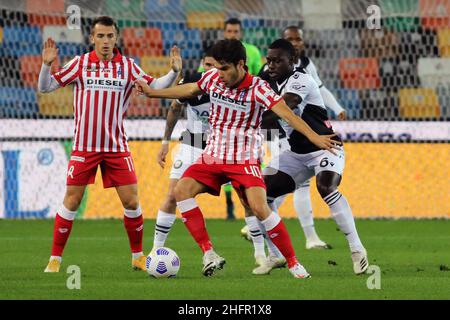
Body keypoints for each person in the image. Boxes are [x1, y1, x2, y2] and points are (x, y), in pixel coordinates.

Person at [136, 39, 341, 278]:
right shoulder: (213, 79)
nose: (218, 74)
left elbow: (287, 115)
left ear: (240, 64)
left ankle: (294, 263)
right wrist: (153, 92)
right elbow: (191, 89)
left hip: (243, 160)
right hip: (212, 157)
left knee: (259, 208)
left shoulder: (258, 87)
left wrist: (316, 137)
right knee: (180, 191)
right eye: (217, 68)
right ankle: (209, 253)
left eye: (224, 69)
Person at [38, 16, 182, 273]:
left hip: (116, 147)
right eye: (100, 36)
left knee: (131, 202)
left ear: (117, 38)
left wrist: (173, 72)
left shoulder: (127, 67)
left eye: (110, 36)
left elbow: (154, 86)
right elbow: (45, 87)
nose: (105, 41)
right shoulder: (80, 64)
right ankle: (55, 259)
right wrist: (46, 66)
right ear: (92, 38)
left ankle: (137, 256)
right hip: (84, 147)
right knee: (72, 200)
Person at [249, 39, 368, 275]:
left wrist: (248, 122)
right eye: (269, 60)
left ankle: (357, 250)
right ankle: (275, 254)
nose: (271, 65)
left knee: (326, 188)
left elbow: (284, 107)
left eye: (277, 60)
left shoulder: (301, 79)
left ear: (292, 60)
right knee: (259, 196)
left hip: (326, 146)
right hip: (296, 153)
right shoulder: (268, 82)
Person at [242, 25, 347, 249]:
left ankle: (301, 236)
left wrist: (337, 107)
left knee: (298, 185)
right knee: (283, 185)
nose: (296, 41)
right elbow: (259, 100)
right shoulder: (268, 70)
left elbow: (318, 90)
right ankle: (283, 236)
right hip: (276, 132)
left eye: (298, 38)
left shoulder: (306, 67)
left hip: (294, 133)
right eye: (291, 38)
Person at [152, 49, 216, 249]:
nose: (210, 70)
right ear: (202, 64)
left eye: (215, 66)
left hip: (221, 148)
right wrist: (165, 142)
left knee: (248, 197)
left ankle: (261, 253)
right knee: (172, 195)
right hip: (192, 144)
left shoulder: (231, 88)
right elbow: (175, 108)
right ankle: (156, 250)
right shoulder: (192, 82)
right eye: (207, 65)